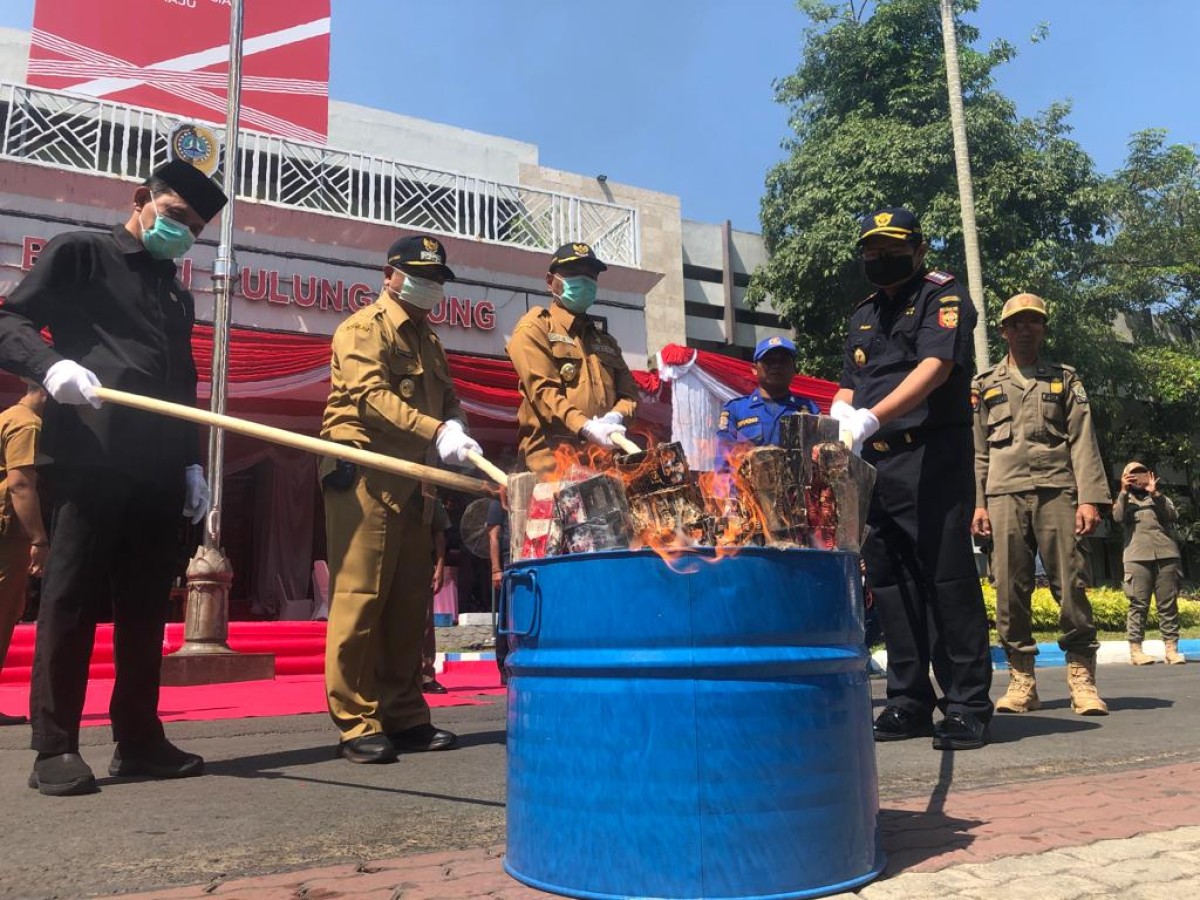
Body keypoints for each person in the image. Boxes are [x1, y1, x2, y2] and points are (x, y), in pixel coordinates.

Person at [0, 160, 226, 795]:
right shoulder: (82, 254)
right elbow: (9, 321)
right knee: (70, 600)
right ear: (142, 199)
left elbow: (182, 383)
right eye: (176, 216)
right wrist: (51, 367)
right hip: (89, 456)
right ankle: (54, 747)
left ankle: (138, 737)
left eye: (196, 227)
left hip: (157, 469)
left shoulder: (175, 291)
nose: (182, 232)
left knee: (146, 608)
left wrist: (190, 462)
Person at [831, 207, 993, 751]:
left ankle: (966, 703)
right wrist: (842, 421)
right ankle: (908, 699)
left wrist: (876, 416)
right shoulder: (863, 314)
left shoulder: (941, 296)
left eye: (892, 248)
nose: (880, 258)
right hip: (875, 464)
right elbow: (851, 382)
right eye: (871, 251)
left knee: (946, 578)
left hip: (931, 455)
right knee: (891, 582)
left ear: (919, 249)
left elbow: (935, 367)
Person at [320, 233, 482, 764]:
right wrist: (437, 428)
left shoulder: (430, 341)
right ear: (389, 274)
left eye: (437, 279)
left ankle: (405, 713)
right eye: (421, 276)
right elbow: (370, 398)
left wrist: (456, 426)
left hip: (415, 475)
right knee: (362, 596)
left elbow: (450, 399)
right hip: (365, 468)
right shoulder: (362, 329)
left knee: (410, 602)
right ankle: (356, 719)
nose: (430, 287)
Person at [971, 293, 1111, 716]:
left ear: (1043, 328)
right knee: (1009, 589)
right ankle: (1021, 682)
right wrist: (977, 504)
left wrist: (1089, 498)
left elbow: (1083, 440)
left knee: (1071, 583)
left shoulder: (1065, 379)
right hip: (1002, 493)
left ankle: (1081, 680)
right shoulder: (984, 384)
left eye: (1034, 321)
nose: (1025, 329)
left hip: (1057, 491)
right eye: (1017, 323)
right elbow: (977, 449)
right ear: (1004, 331)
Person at [507, 243, 639, 475]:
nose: (584, 281)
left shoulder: (605, 341)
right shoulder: (535, 327)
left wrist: (616, 415)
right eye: (574, 273)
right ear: (550, 281)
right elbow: (543, 392)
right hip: (552, 468)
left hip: (602, 468)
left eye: (591, 275)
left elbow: (629, 395)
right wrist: (585, 426)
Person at [0, 383, 48, 726]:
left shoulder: (7, 416)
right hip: (8, 532)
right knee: (4, 611)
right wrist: (39, 538)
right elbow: (20, 484)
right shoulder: (27, 423)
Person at [1113, 462, 1186, 666]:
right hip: (1137, 558)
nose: (1138, 479)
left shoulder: (1160, 498)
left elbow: (1172, 515)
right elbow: (1117, 517)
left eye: (1142, 474)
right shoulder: (1124, 500)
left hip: (1166, 556)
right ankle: (1136, 650)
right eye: (1132, 476)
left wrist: (1155, 494)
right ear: (1125, 478)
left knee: (1168, 605)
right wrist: (1122, 491)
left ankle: (1171, 649)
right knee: (1138, 604)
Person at [715, 335, 820, 467]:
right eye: (769, 361)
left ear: (794, 369)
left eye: (783, 361)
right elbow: (723, 460)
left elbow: (821, 460)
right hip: (748, 486)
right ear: (754, 369)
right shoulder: (735, 410)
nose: (776, 366)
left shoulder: (810, 410)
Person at [421, 498, 451, 694]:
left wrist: (439, 568)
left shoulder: (430, 498)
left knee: (424, 623)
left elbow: (439, 535)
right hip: (391, 563)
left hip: (420, 564)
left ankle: (426, 675)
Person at [487, 496, 511, 682]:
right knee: (505, 615)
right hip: (506, 562)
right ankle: (503, 665)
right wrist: (496, 569)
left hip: (524, 557)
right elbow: (493, 536)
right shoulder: (497, 503)